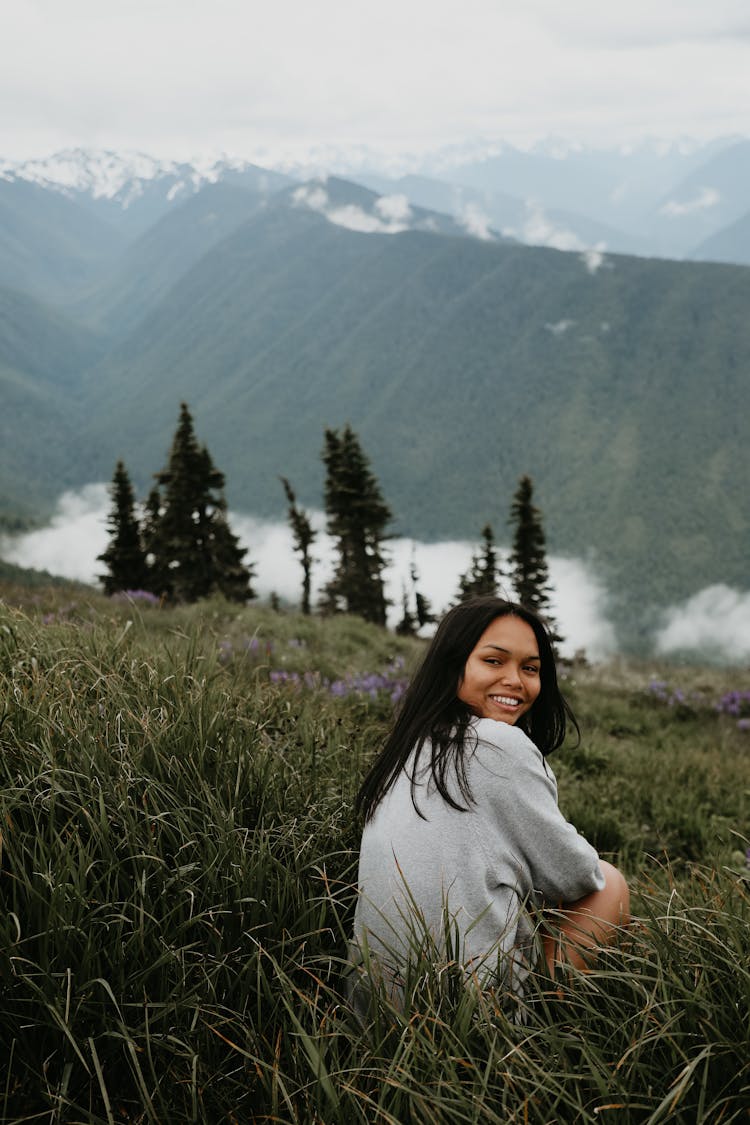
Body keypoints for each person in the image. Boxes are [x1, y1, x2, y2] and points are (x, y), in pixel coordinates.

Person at [349, 596, 629, 1010]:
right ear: (454, 664)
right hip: (467, 1023)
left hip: (370, 1013)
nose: (516, 680)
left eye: (530, 668)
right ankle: (540, 1030)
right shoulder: (500, 744)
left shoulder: (409, 744)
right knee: (611, 885)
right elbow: (577, 877)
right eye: (494, 662)